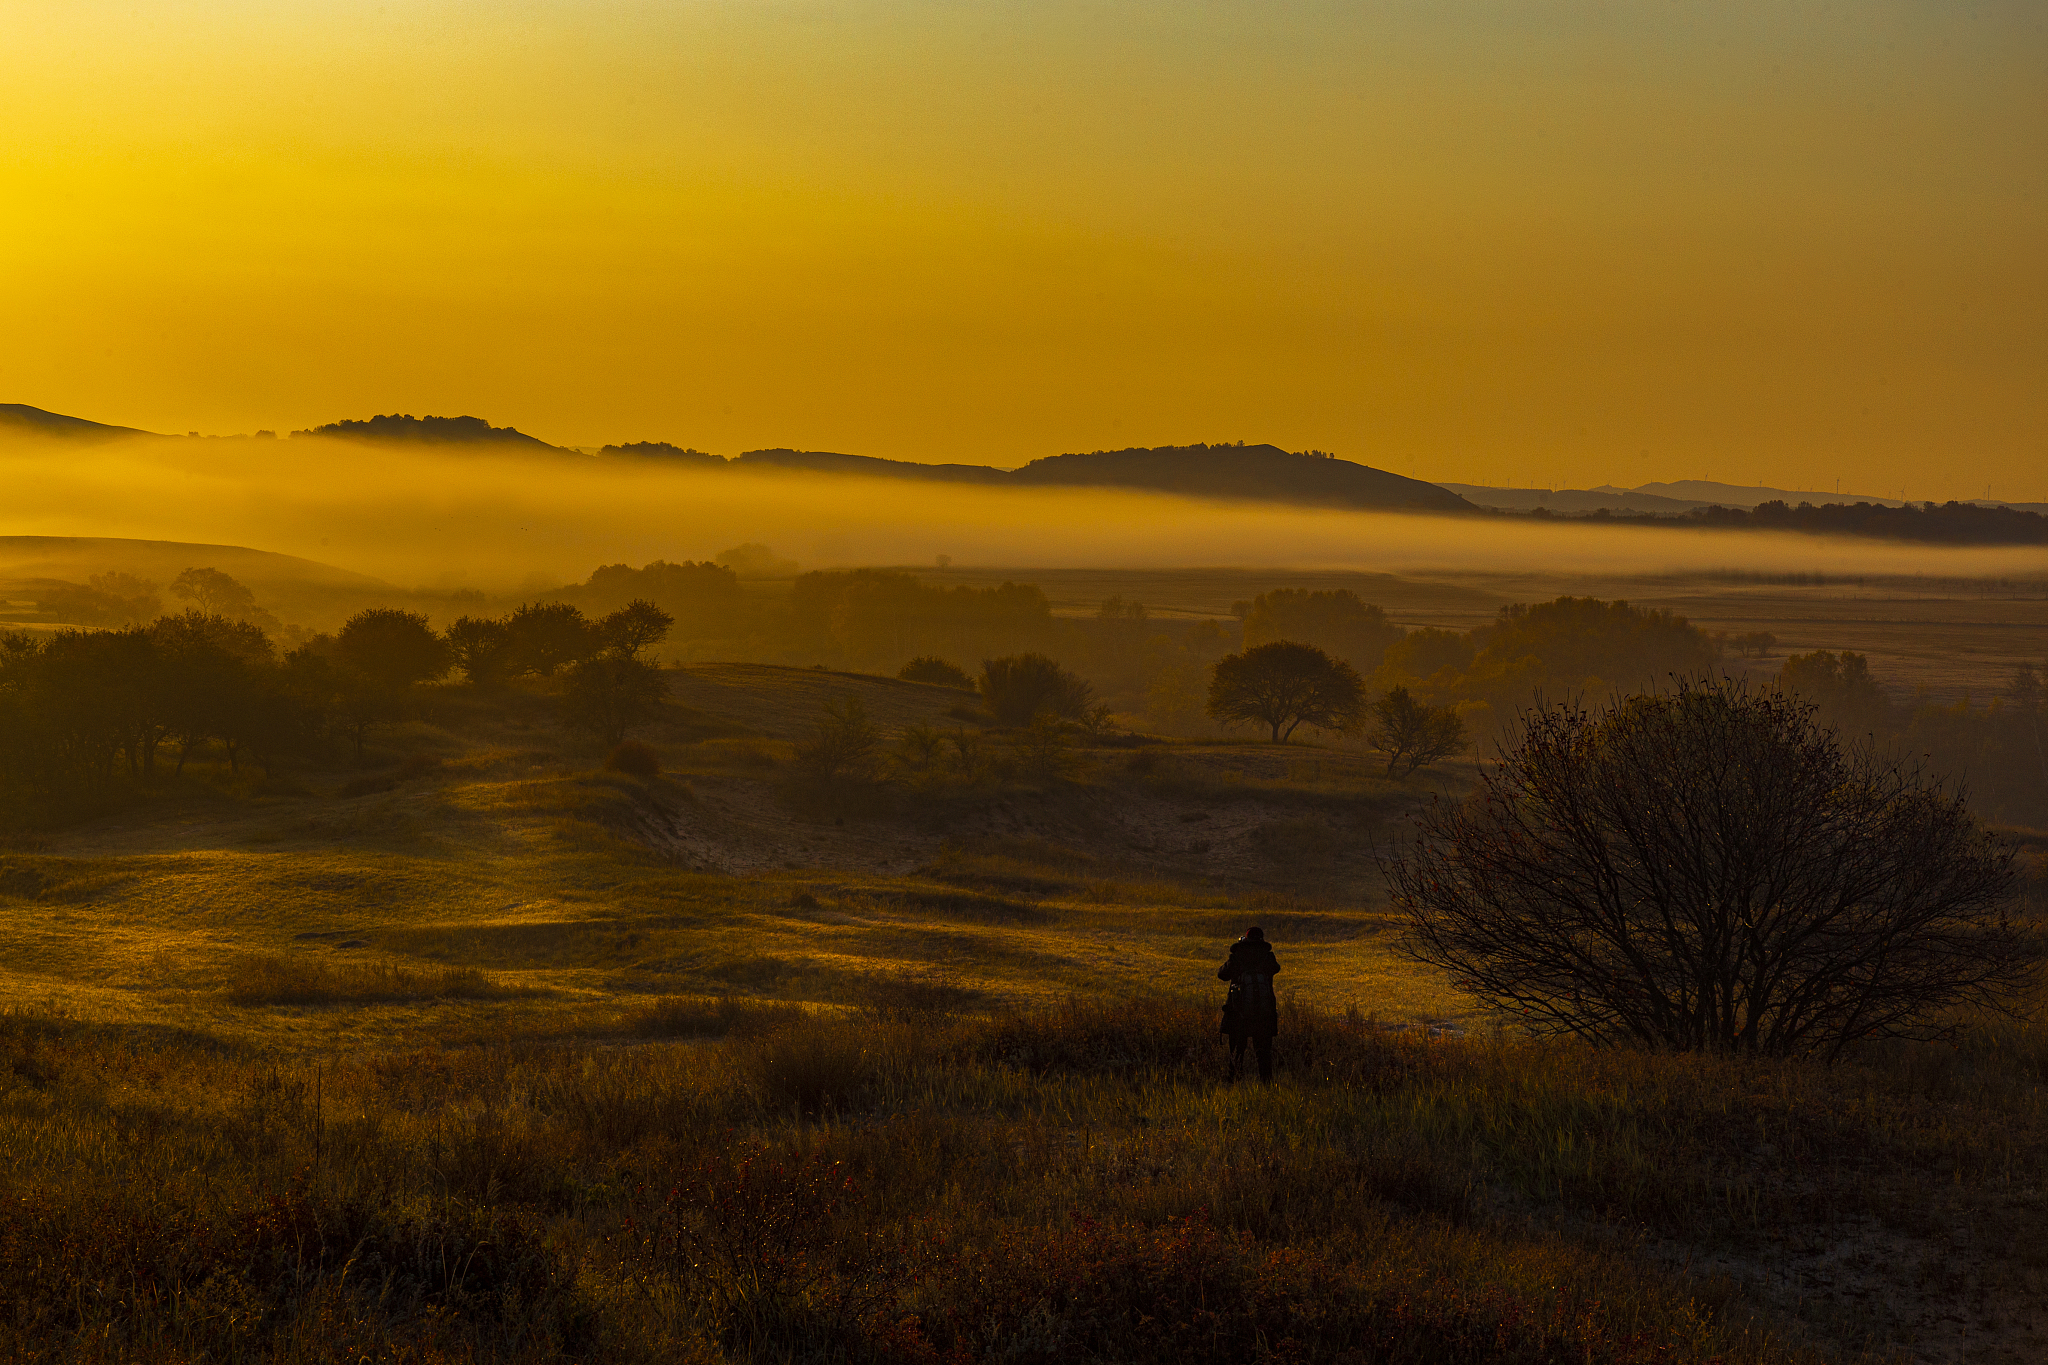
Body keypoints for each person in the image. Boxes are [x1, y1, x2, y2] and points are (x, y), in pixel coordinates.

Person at [1217, 926, 1280, 1083]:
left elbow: (1222, 974)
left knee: (1237, 1054)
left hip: (1238, 1014)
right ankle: (1267, 1088)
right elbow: (1276, 969)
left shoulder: (1237, 956)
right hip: (1264, 1014)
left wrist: (1238, 950)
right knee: (1264, 1055)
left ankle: (1234, 1085)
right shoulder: (1267, 957)